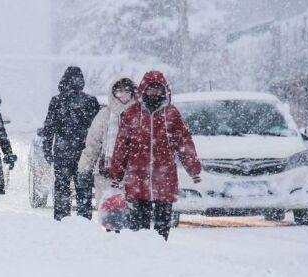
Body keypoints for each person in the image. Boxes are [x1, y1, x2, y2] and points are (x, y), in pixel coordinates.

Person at [109, 71, 202, 240]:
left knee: (162, 226)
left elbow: (184, 143)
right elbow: (121, 146)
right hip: (138, 178)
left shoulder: (172, 114)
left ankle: (161, 253)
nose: (154, 93)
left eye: (158, 90)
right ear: (144, 90)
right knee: (139, 227)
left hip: (164, 178)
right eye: (150, 89)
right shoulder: (132, 114)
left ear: (164, 91)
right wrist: (116, 173)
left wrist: (193, 169)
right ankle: (142, 255)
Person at [42, 66, 100, 220]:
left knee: (62, 186)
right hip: (84, 152)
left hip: (63, 151)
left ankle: (61, 218)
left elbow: (48, 128)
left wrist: (47, 150)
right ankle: (83, 219)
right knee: (84, 188)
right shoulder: (90, 101)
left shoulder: (56, 101)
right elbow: (97, 130)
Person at [76, 77, 137, 221]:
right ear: (113, 92)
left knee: (130, 217)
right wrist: (84, 169)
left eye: (126, 91)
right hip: (106, 173)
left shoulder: (140, 115)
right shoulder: (104, 115)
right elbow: (92, 145)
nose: (122, 95)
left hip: (132, 174)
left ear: (132, 93)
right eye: (119, 91)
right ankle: (107, 240)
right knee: (107, 215)